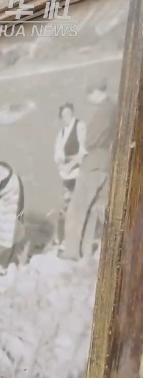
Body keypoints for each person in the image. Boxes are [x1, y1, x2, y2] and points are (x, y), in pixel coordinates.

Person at [62, 80, 116, 260]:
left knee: (77, 208)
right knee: (93, 209)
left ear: (95, 92)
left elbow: (90, 142)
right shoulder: (114, 107)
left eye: (89, 95)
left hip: (93, 164)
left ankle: (71, 252)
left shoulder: (103, 111)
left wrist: (72, 162)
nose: (88, 99)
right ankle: (85, 251)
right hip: (106, 164)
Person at [52, 103, 87, 247]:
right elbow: (58, 153)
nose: (66, 116)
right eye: (63, 115)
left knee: (79, 206)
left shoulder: (80, 126)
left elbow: (83, 151)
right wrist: (61, 164)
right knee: (65, 206)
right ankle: (62, 239)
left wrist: (70, 165)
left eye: (68, 113)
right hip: (66, 175)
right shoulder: (61, 132)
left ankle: (77, 239)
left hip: (78, 172)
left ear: (72, 112)